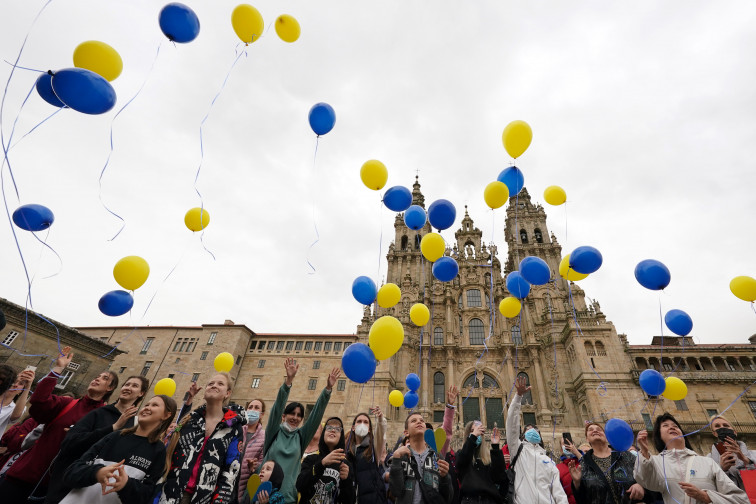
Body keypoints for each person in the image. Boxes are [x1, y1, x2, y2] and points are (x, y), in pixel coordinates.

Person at [0, 346, 118, 502]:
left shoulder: (105, 418)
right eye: (97, 376)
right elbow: (38, 401)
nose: (96, 378)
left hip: (56, 488)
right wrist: (58, 368)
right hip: (24, 476)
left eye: (104, 378)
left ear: (110, 388)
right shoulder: (67, 403)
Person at [45, 375, 149, 503]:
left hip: (99, 494)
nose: (128, 388)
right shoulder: (99, 413)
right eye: (127, 384)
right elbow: (69, 443)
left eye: (134, 386)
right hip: (69, 487)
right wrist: (113, 427)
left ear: (141, 393)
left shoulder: (135, 425)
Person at [59, 395, 177, 504]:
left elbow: (147, 496)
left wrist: (127, 485)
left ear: (166, 415)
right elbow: (71, 473)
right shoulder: (115, 436)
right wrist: (96, 473)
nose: (147, 408)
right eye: (146, 404)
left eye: (154, 405)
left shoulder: (159, 450)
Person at [261, 358, 340, 504]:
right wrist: (288, 382)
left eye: (299, 415)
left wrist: (327, 390)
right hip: (262, 495)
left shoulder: (300, 437)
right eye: (292, 413)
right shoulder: (274, 431)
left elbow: (316, 416)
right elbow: (277, 408)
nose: (295, 417)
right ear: (284, 416)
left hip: (288, 498)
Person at [160, 372, 247, 504]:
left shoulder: (233, 428)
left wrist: (220, 500)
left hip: (204, 499)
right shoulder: (190, 420)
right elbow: (168, 456)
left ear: (227, 393)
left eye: (220, 384)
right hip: (170, 494)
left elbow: (231, 470)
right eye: (210, 383)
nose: (213, 386)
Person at [634, 412, 748, 504]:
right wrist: (644, 452)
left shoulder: (708, 462)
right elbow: (645, 479)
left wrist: (706, 496)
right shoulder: (655, 462)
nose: (672, 428)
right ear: (659, 435)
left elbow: (741, 499)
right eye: (665, 426)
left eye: (675, 426)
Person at [505, 375, 568, 504]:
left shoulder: (549, 461)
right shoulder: (518, 451)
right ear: (523, 436)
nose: (532, 429)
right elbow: (511, 424)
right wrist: (518, 397)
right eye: (528, 429)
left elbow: (559, 494)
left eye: (535, 428)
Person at [567, 422, 647, 503]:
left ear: (606, 436)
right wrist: (577, 483)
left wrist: (641, 486)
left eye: (599, 429)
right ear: (587, 439)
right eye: (590, 430)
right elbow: (583, 499)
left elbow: (647, 476)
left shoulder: (625, 455)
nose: (595, 431)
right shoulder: (585, 464)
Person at [389, 411, 453, 504]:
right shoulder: (400, 457)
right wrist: (396, 460)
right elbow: (395, 491)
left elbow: (448, 497)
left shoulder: (437, 456)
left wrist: (445, 477)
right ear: (406, 432)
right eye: (413, 421)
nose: (419, 422)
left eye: (422, 421)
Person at [297, 416, 356, 504]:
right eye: (329, 428)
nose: (333, 430)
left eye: (337, 429)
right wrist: (322, 464)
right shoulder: (311, 459)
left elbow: (350, 501)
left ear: (341, 436)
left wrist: (346, 481)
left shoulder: (345, 464)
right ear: (323, 433)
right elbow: (300, 485)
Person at [455, 420, 507, 504]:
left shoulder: (488, 457)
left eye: (479, 431)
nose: (477, 433)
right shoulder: (461, 454)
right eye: (473, 431)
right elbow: (463, 459)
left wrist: (496, 447)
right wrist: (473, 437)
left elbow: (499, 476)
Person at [345, 407, 387, 504]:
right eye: (359, 421)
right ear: (353, 427)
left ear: (369, 429)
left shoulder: (373, 449)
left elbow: (381, 434)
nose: (362, 424)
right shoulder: (347, 451)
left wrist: (380, 419)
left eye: (366, 422)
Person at [708, 415, 756, 491]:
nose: (722, 428)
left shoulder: (754, 454)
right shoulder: (709, 459)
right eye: (717, 426)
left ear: (735, 432)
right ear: (715, 433)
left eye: (726, 425)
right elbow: (710, 484)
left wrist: (745, 460)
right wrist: (722, 469)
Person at [239, 398, 267, 501]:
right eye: (250, 407)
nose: (252, 410)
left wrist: (254, 467)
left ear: (262, 414)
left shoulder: (264, 436)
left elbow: (261, 461)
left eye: (256, 408)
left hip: (246, 488)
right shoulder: (237, 430)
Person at [0, 367, 34, 436]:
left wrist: (28, 386)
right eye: (14, 382)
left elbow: (15, 416)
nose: (16, 385)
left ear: (21, 391)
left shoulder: (15, 408)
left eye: (20, 384)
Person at [556, 438, 578, 504]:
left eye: (569, 442)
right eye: (564, 443)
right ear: (561, 450)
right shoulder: (557, 468)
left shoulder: (583, 461)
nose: (567, 445)